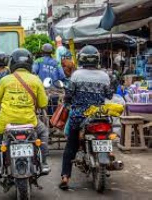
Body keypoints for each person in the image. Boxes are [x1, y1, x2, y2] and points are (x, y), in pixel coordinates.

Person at [0, 48, 50, 199]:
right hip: (29, 122)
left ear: (12, 63)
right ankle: (43, 161)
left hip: (6, 123)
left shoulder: (6, 80)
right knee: (44, 132)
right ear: (30, 63)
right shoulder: (36, 80)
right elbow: (44, 103)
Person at [59, 45, 113, 190]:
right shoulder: (105, 76)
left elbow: (69, 95)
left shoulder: (76, 75)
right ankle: (110, 153)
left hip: (79, 116)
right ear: (97, 59)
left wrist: (68, 101)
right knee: (109, 134)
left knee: (71, 146)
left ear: (81, 59)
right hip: (99, 115)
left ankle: (65, 177)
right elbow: (109, 95)